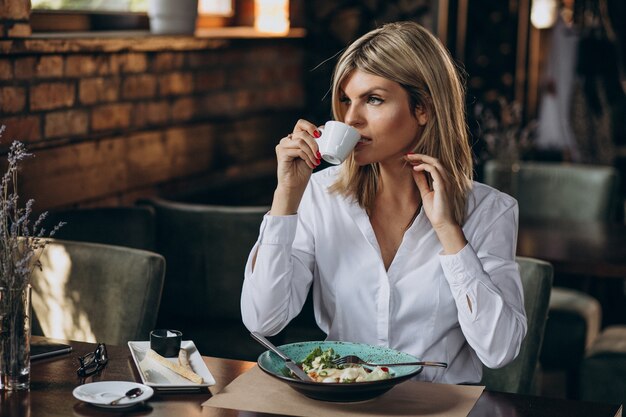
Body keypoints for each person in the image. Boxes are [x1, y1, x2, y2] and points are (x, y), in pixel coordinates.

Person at [241, 21, 526, 384]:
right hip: (342, 404)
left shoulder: (489, 211)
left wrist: (449, 232)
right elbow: (263, 320)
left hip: (437, 409)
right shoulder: (318, 195)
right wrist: (285, 198)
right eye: (346, 100)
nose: (351, 119)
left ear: (423, 108)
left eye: (373, 99)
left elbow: (499, 350)